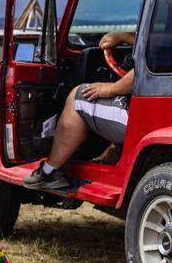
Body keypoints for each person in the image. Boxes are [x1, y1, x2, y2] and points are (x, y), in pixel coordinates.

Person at [24, 31, 135, 189]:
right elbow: (158, 43)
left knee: (78, 97)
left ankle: (50, 172)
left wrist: (111, 88)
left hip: (145, 117)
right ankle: (114, 151)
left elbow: (152, 64)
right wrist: (124, 37)